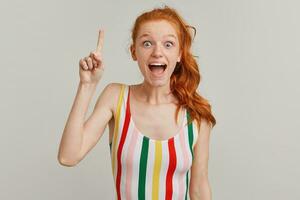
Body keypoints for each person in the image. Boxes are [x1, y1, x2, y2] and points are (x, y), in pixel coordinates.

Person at [58, 5, 216, 200]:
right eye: (147, 43)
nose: (157, 52)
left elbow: (199, 189)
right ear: (134, 52)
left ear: (180, 54)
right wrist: (87, 85)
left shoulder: (197, 114)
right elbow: (68, 156)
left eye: (168, 44)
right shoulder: (116, 97)